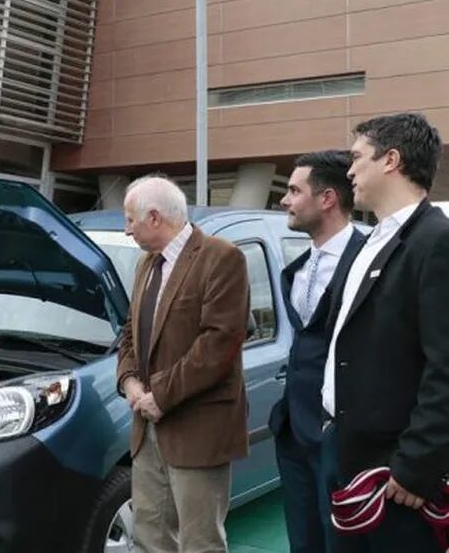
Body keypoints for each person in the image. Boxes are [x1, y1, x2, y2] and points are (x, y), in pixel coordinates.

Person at [323, 113, 449, 552]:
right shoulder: (370, 240)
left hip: (396, 476)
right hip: (345, 452)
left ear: (391, 160)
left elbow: (445, 366)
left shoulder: (435, 241)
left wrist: (416, 466)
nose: (349, 170)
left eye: (357, 157)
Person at [116, 175, 249, 553]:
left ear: (154, 217)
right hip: (147, 428)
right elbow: (130, 331)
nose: (127, 231)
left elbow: (218, 343)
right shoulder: (146, 264)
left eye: (131, 220)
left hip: (197, 427)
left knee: (199, 542)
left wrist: (161, 394)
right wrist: (129, 381)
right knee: (149, 537)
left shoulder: (221, 257)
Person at [268, 151, 366, 553]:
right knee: (303, 541)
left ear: (327, 199)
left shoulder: (371, 257)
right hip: (292, 430)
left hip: (342, 434)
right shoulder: (298, 269)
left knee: (343, 543)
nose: (284, 200)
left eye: (294, 190)